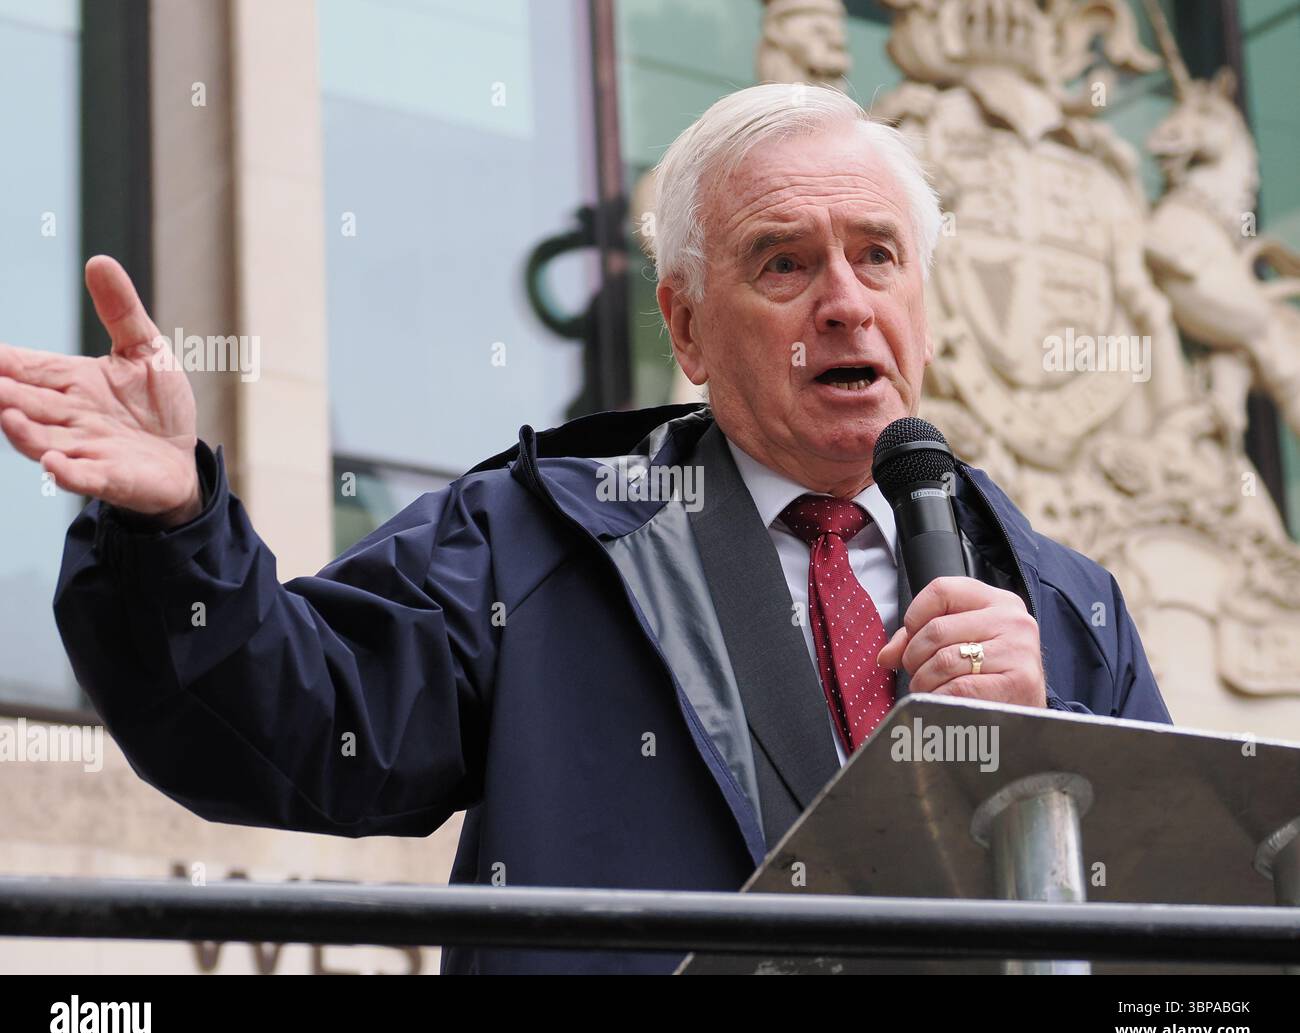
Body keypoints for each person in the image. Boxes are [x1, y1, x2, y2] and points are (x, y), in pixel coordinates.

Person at [0, 84, 1170, 975]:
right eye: (784, 263)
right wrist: (173, 533)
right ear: (689, 329)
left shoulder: (1065, 607)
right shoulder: (531, 544)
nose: (844, 300)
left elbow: (1189, 970)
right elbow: (289, 727)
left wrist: (1051, 756)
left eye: (876, 255)